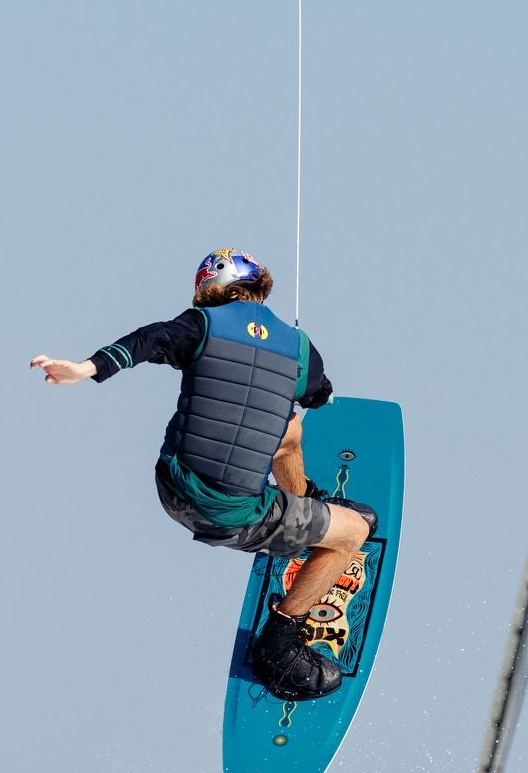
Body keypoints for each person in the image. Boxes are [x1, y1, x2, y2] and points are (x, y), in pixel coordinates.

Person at [30, 249, 375, 701]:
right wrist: (304, 382)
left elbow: (148, 339)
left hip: (173, 488)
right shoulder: (298, 346)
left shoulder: (200, 326)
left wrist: (85, 369)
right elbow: (320, 394)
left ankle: (300, 504)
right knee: (358, 528)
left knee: (286, 434)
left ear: (206, 292)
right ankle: (278, 643)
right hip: (232, 514)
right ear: (261, 284)